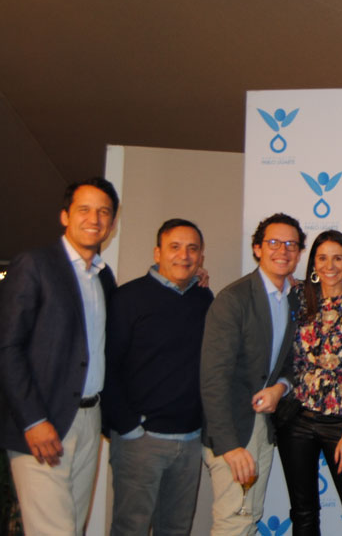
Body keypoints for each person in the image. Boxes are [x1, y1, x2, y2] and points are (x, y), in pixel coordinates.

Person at [0, 177, 119, 534]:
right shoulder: (34, 265)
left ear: (112, 223)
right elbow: (7, 347)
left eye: (104, 212)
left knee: (72, 527)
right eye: (84, 210)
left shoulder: (103, 278)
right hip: (44, 421)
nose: (94, 219)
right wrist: (33, 420)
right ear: (65, 216)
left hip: (89, 420)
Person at [103, 218, 214, 536]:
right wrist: (128, 426)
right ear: (157, 253)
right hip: (140, 440)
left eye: (192, 249)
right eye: (174, 247)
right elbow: (107, 366)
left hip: (189, 441)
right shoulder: (128, 298)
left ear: (201, 257)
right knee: (130, 528)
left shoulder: (204, 299)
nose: (184, 255)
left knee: (177, 529)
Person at [200, 212, 304, 535]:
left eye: (291, 244)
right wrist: (229, 446)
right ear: (258, 248)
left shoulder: (294, 300)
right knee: (234, 519)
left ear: (299, 252)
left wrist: (281, 387)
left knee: (249, 515)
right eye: (274, 242)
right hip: (234, 429)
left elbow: (294, 363)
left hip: (263, 427)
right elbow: (213, 378)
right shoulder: (234, 299)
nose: (283, 251)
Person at [276, 230, 342, 535]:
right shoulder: (298, 300)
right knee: (303, 511)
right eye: (322, 258)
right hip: (296, 419)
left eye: (337, 258)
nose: (329, 265)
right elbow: (269, 282)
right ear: (313, 264)